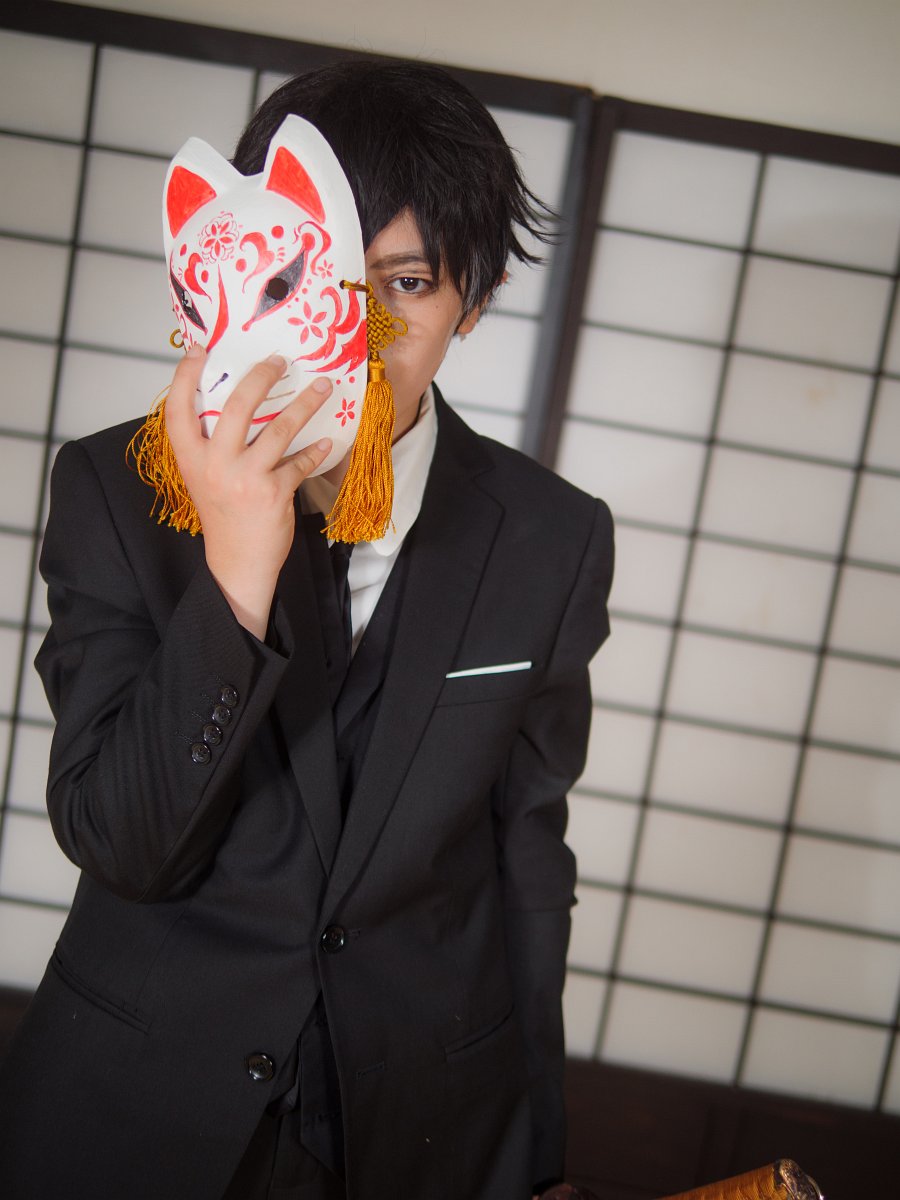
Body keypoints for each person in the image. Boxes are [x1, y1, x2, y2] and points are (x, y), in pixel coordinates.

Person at [0, 60, 613, 1200]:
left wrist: (536, 1152)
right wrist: (237, 568)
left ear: (475, 299)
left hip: (416, 1124)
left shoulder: (554, 536)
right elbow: (122, 840)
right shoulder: (118, 491)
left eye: (405, 284)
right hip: (133, 1104)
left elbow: (528, 857)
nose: (350, 326)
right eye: (308, 270)